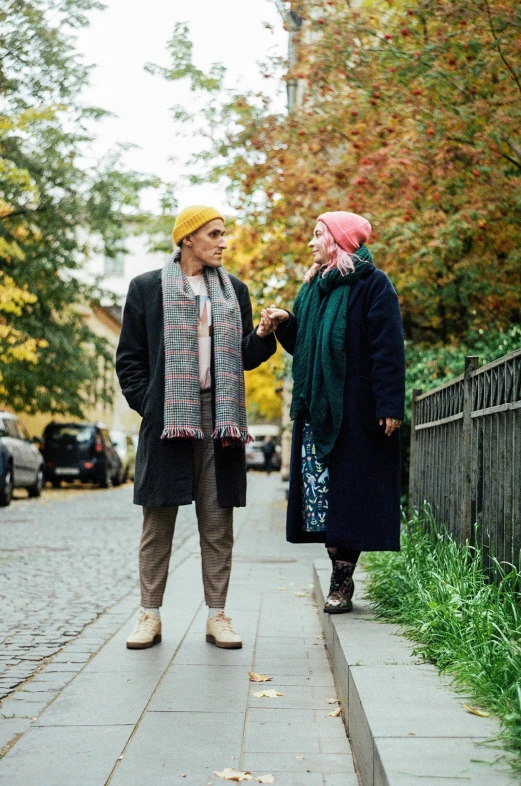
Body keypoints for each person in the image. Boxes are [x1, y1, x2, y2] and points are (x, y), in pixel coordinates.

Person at [116, 206, 276, 649]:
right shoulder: (147, 288)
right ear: (188, 238)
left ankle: (217, 615)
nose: (223, 242)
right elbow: (130, 358)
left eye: (223, 234)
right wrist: (150, 406)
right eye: (215, 234)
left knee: (217, 521)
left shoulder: (233, 291)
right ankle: (149, 615)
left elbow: (244, 356)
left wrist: (262, 333)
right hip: (168, 418)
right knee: (158, 520)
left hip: (220, 419)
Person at [263, 211, 405, 613]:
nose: (310, 243)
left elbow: (388, 348)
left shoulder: (373, 285)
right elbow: (304, 346)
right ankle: (338, 575)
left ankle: (342, 581)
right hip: (316, 410)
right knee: (323, 498)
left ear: (338, 240)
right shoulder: (311, 290)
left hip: (357, 412)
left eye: (317, 235)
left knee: (350, 497)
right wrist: (286, 322)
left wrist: (390, 405)